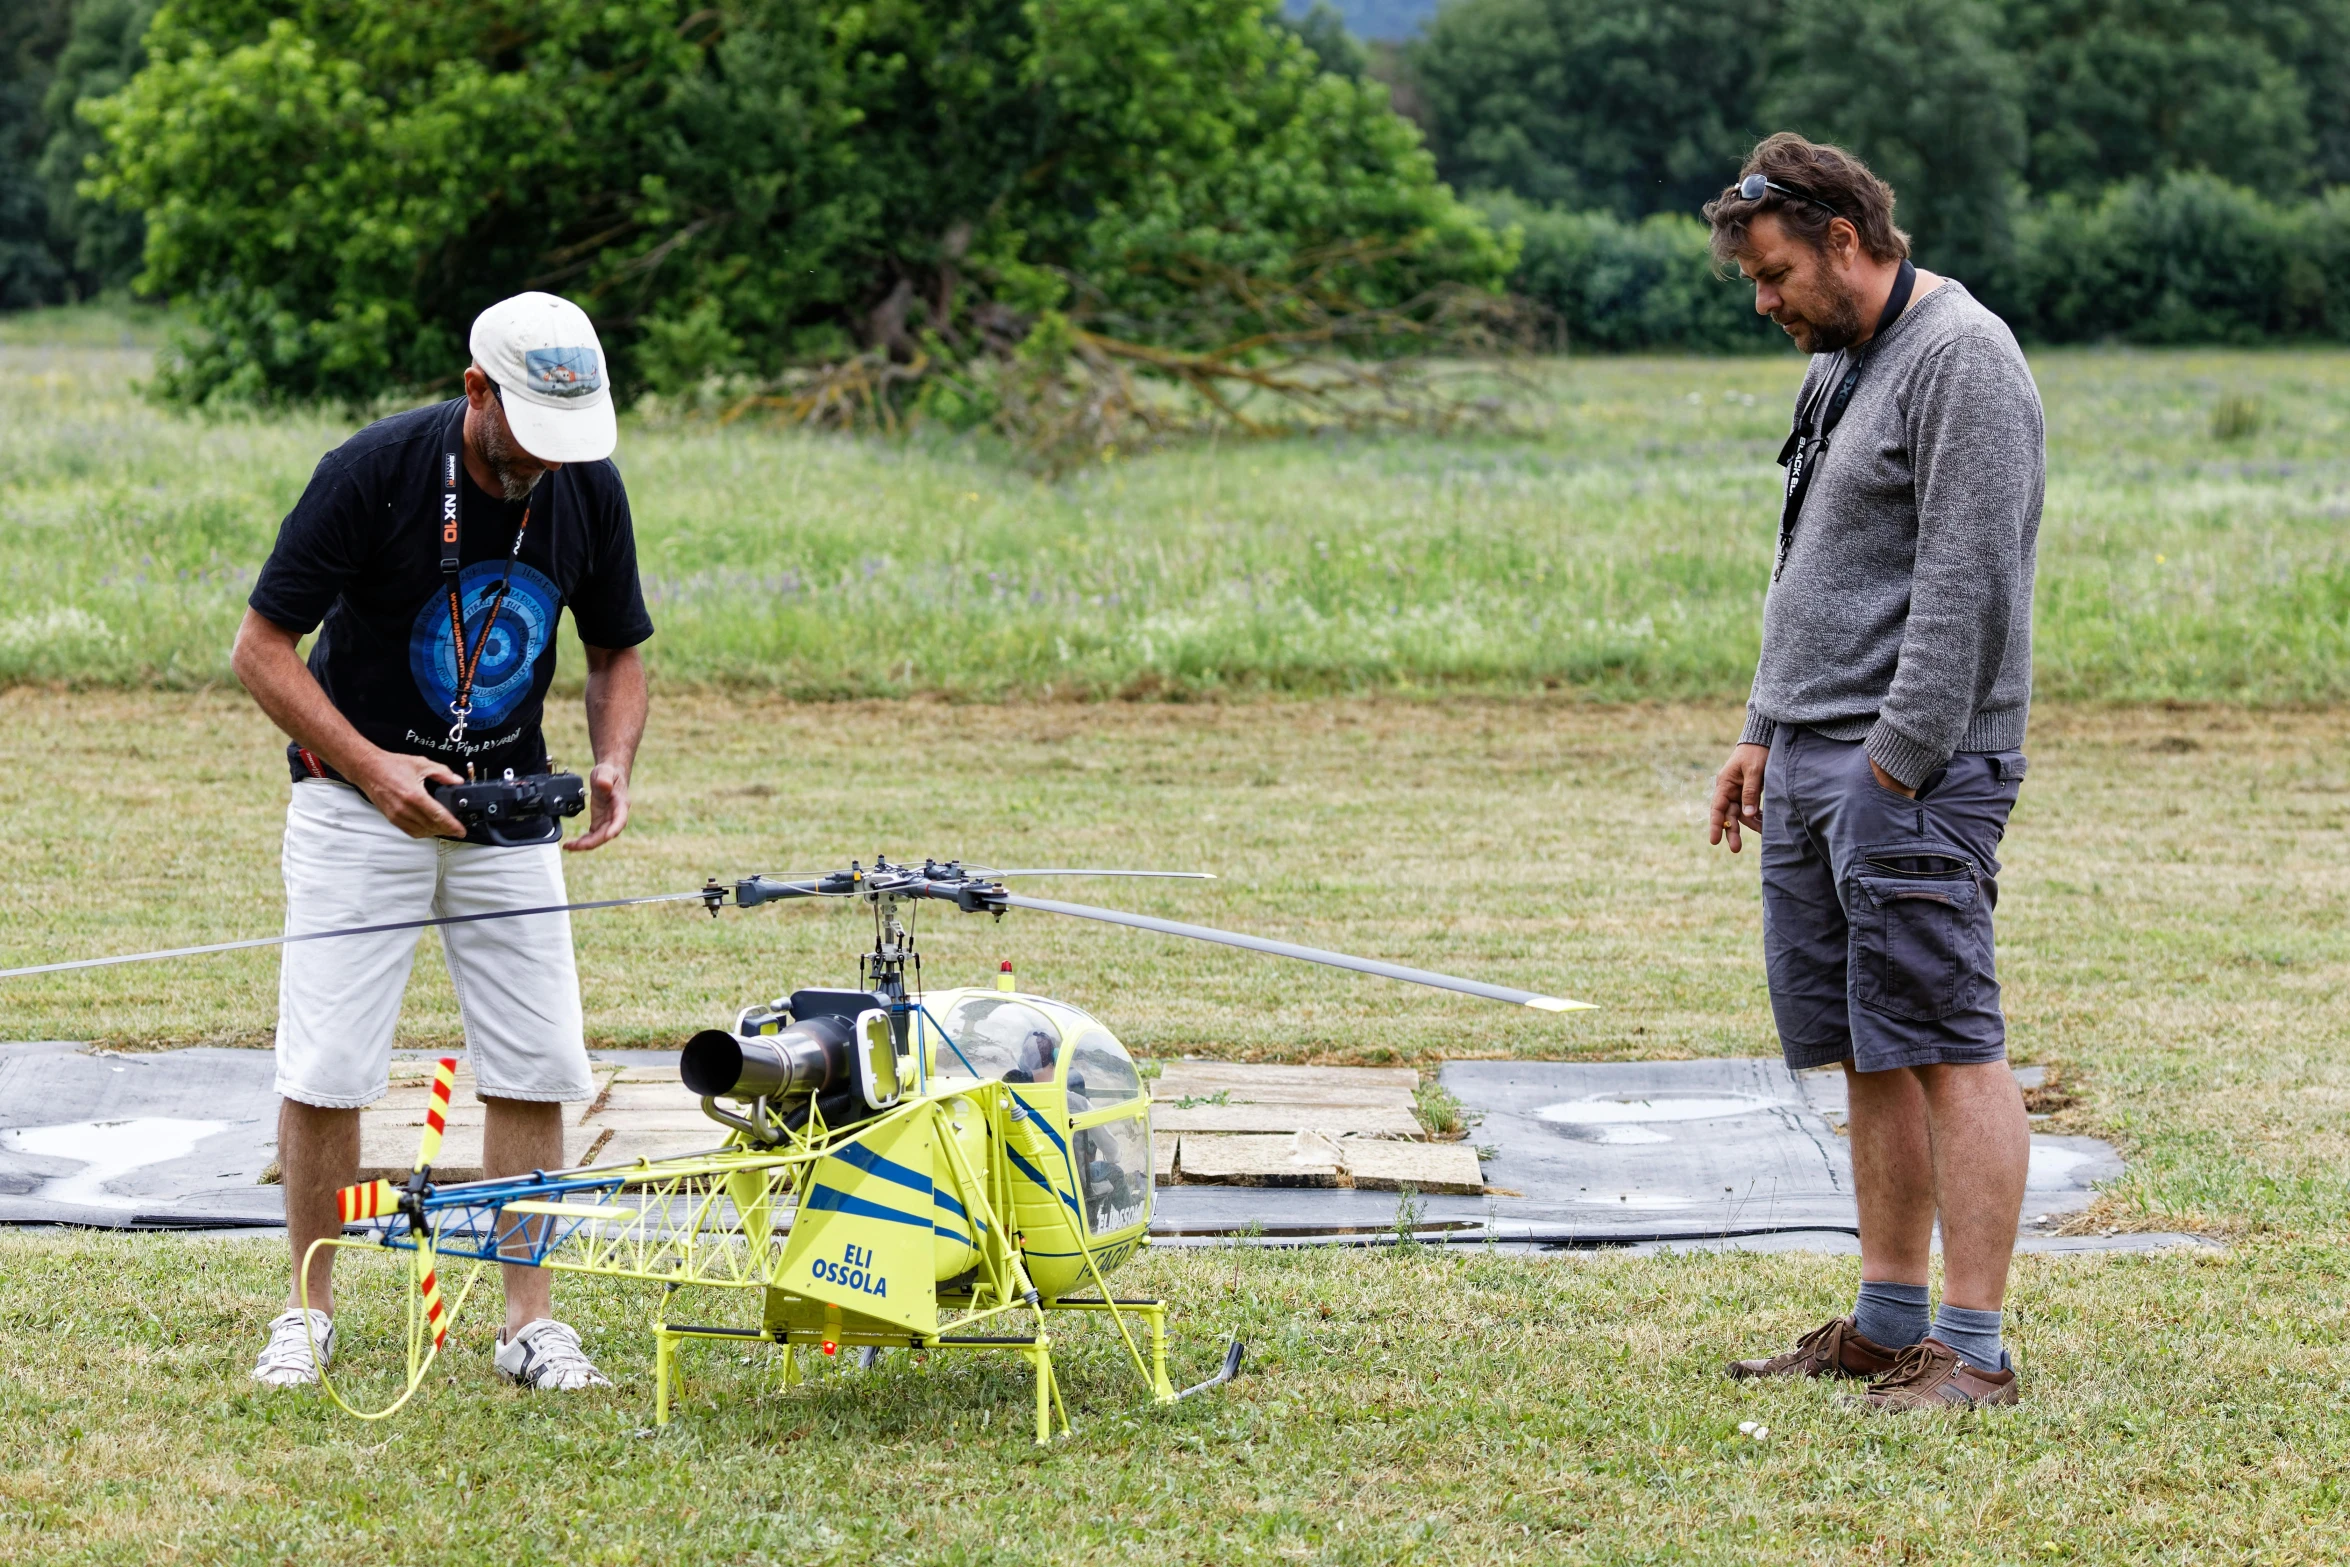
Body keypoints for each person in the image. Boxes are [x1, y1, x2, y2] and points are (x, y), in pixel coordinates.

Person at [231, 292, 653, 1392]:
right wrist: (374, 767)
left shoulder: (584, 488)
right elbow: (262, 650)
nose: (543, 466)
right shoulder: (371, 472)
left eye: (566, 445)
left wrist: (611, 757)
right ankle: (307, 1312)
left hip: (508, 814)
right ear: (476, 390)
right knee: (327, 1067)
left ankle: (529, 1326)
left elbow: (617, 651)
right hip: (351, 801)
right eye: (526, 439)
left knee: (537, 1057)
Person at [1700, 135, 2044, 1411]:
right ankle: (1889, 1317)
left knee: (1950, 1039)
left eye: (1777, 273)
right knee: (1866, 1045)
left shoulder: (1967, 363)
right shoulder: (1844, 364)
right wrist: (1761, 726)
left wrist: (1892, 767)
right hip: (1811, 749)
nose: (1765, 301)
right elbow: (1811, 563)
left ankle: (1975, 1346)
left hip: (1910, 764)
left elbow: (1968, 587)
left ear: (1843, 240)